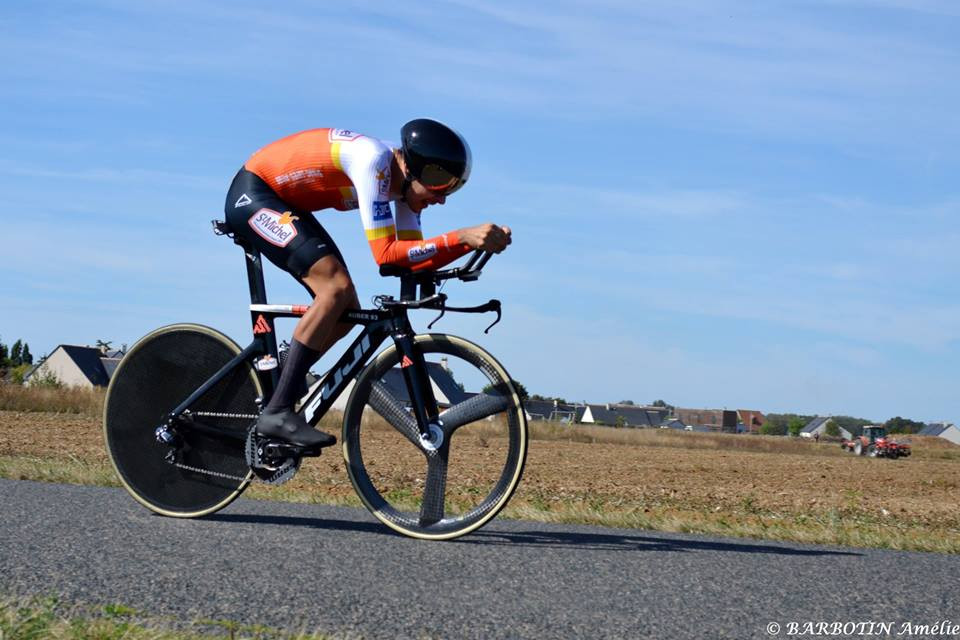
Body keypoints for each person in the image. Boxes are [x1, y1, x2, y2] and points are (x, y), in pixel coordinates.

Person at [224, 119, 511, 448]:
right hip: (255, 194)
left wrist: (468, 249)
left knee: (346, 311)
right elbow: (387, 255)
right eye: (440, 182)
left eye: (452, 187)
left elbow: (409, 259)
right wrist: (463, 238)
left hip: (284, 202)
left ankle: (283, 379)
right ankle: (277, 412)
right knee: (334, 288)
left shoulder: (404, 188)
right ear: (418, 169)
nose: (442, 198)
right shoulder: (374, 163)